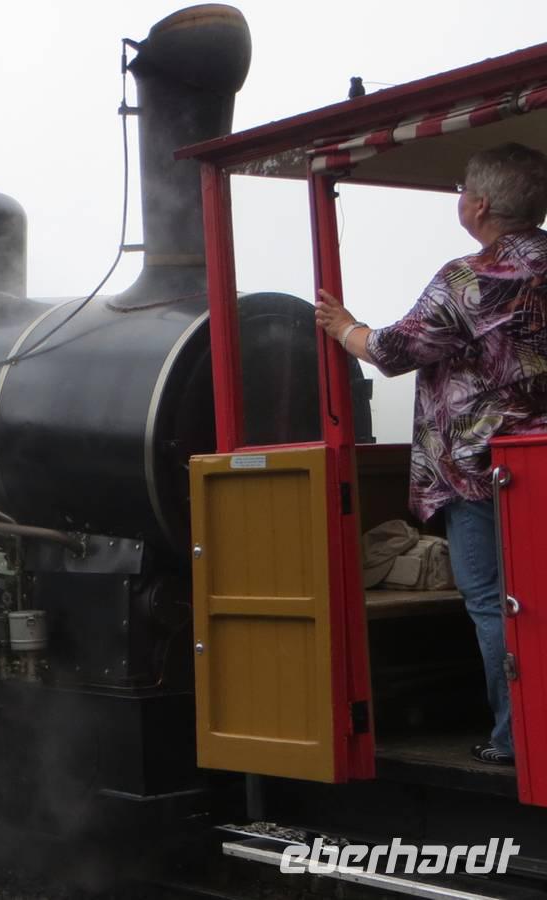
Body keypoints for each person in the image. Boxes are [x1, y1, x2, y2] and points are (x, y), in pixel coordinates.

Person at [316, 142, 547, 767]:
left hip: (484, 470)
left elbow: (392, 350)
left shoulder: (470, 279)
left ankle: (517, 739)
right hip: (543, 462)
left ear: (481, 205)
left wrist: (343, 328)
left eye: (461, 191)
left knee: (494, 600)